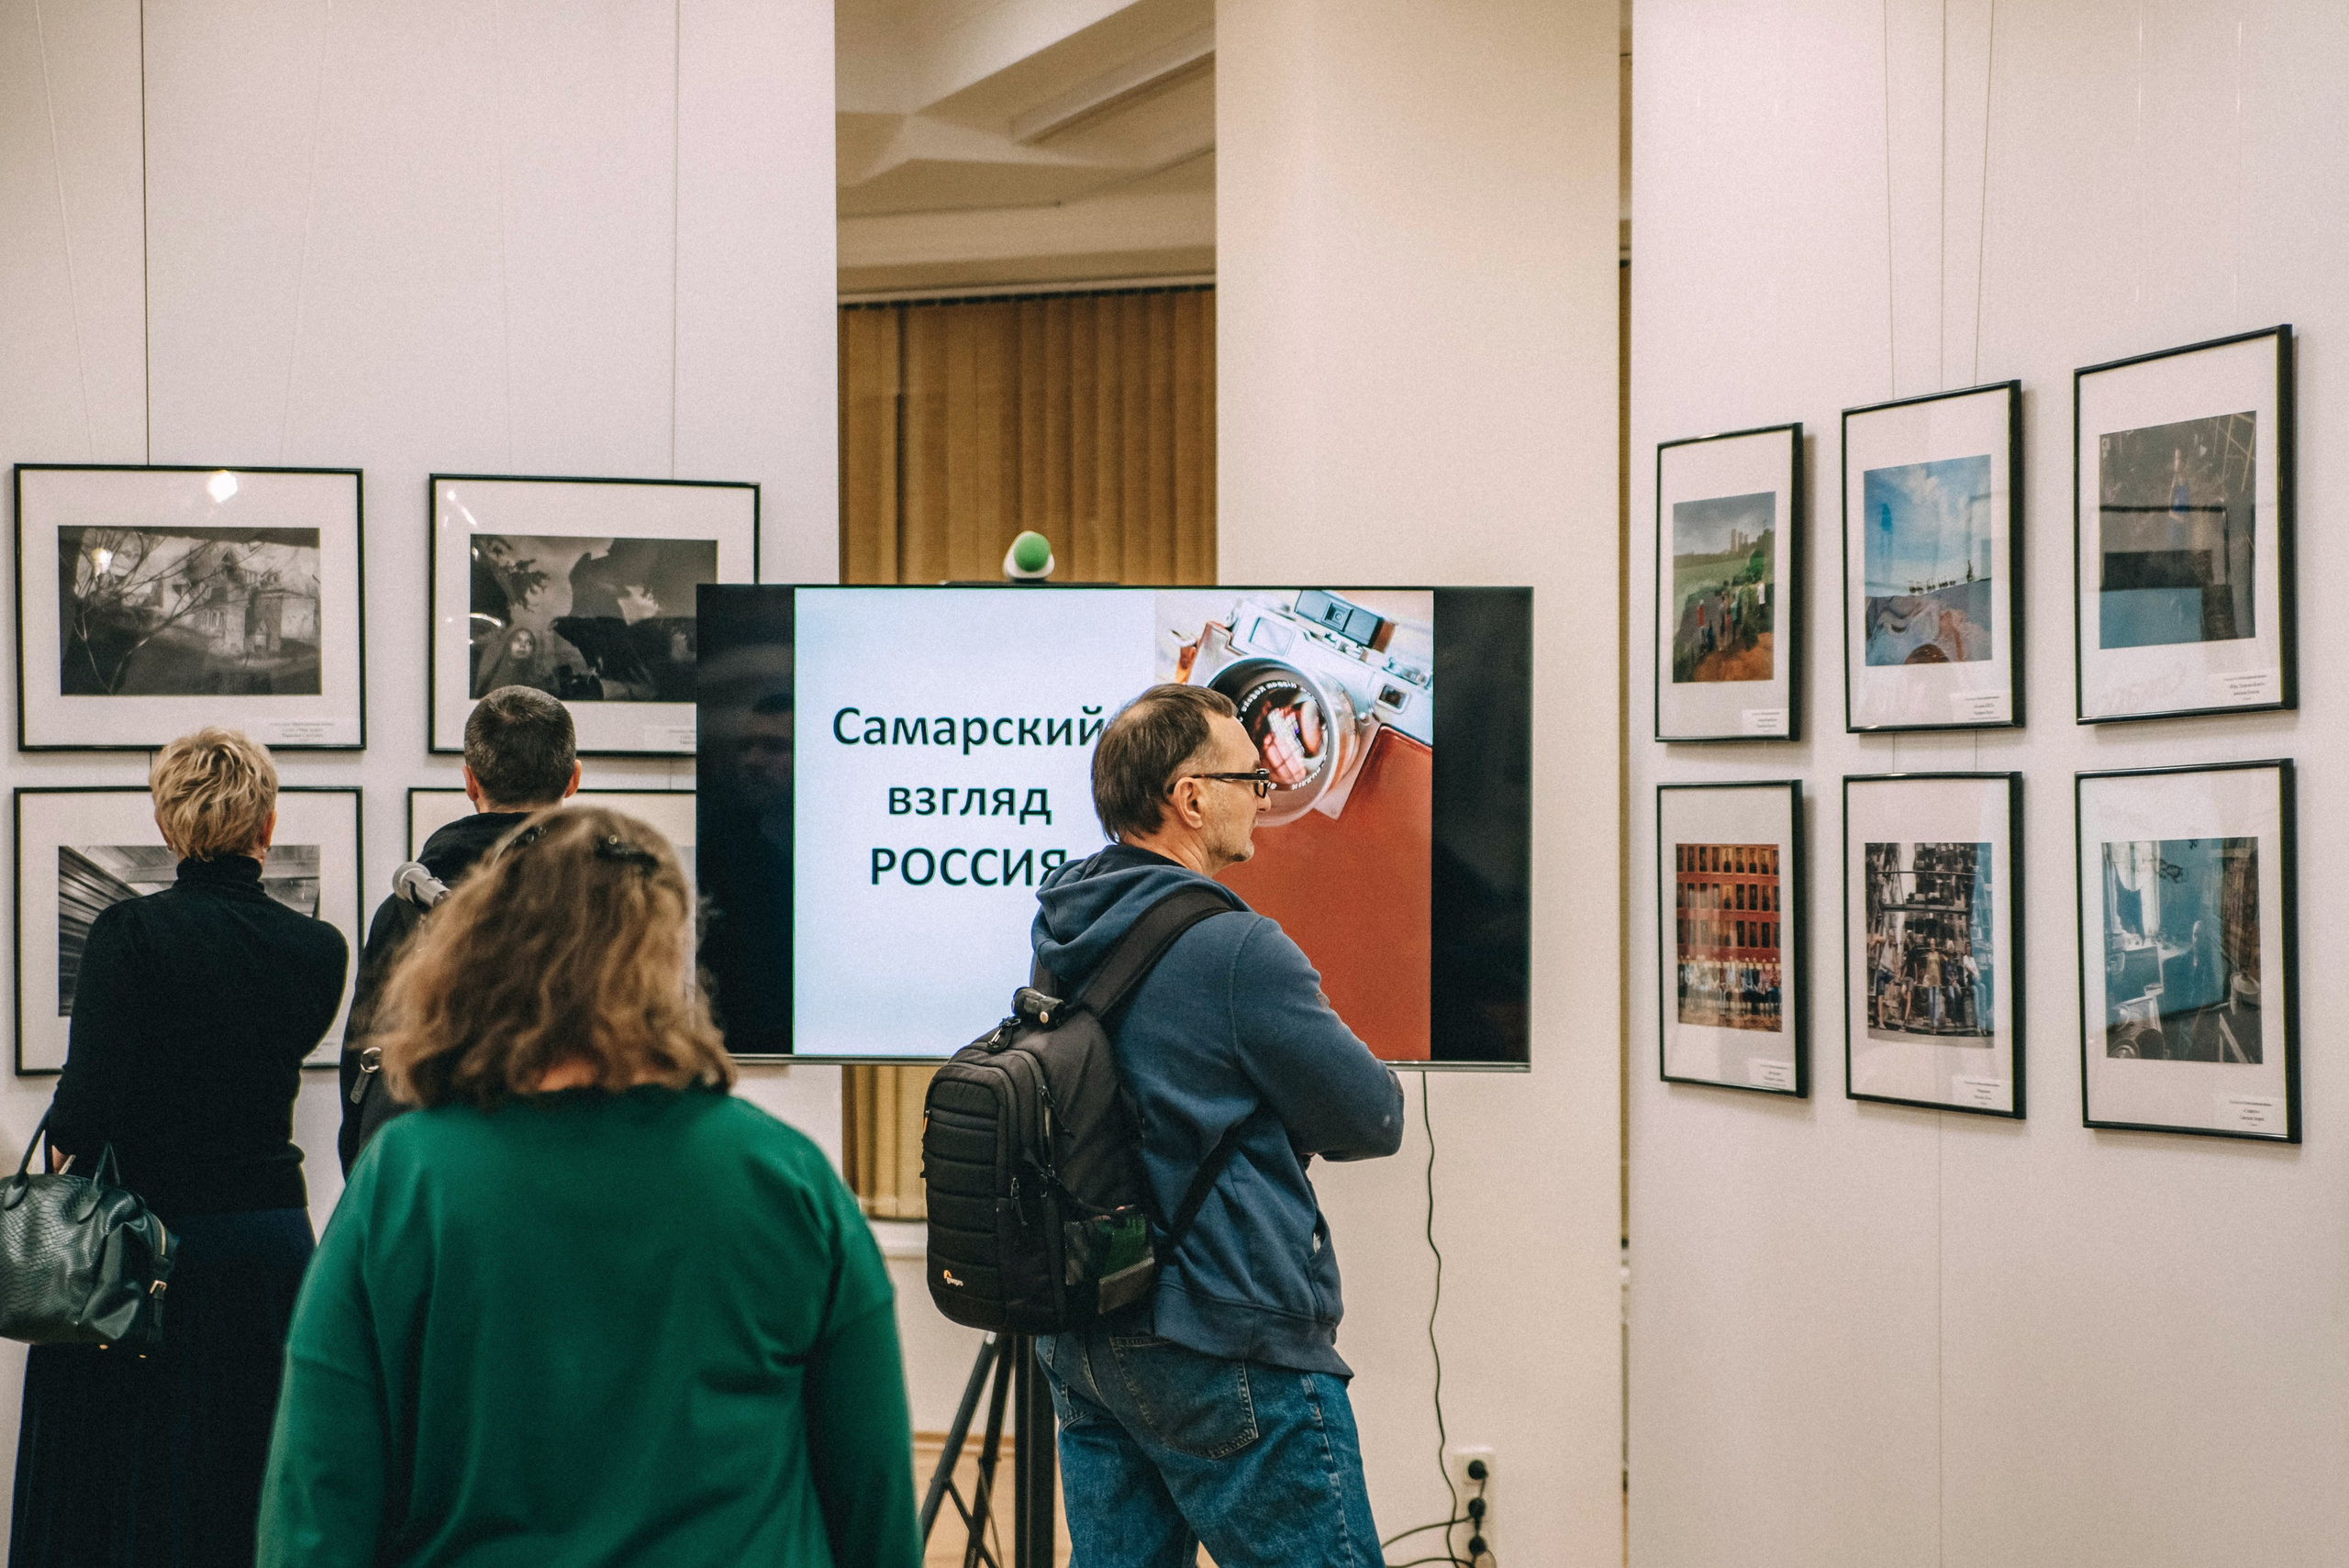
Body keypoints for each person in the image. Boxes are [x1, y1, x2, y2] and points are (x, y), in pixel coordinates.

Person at [258, 806, 919, 1568]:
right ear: (666, 955)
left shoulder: (405, 1181)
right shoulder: (785, 1175)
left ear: (496, 949)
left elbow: (316, 1498)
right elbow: (872, 1489)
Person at [1030, 684, 1404, 1568]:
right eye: (1248, 775)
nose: (1264, 794)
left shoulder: (1066, 923)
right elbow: (1373, 1114)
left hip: (1090, 1331)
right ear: (1190, 797)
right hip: (1227, 1335)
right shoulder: (1238, 949)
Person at [13, 728, 349, 1568]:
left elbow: (82, 1112)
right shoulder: (320, 949)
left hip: (140, 1255)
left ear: (168, 824)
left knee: (124, 1497)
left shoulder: (128, 934)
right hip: (267, 1250)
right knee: (247, 1490)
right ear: (265, 824)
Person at [337, 684, 580, 1173]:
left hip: (432, 1174)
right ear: (572, 780)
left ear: (470, 782)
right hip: (572, 1171)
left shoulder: (403, 910)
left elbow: (363, 1064)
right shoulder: (610, 902)